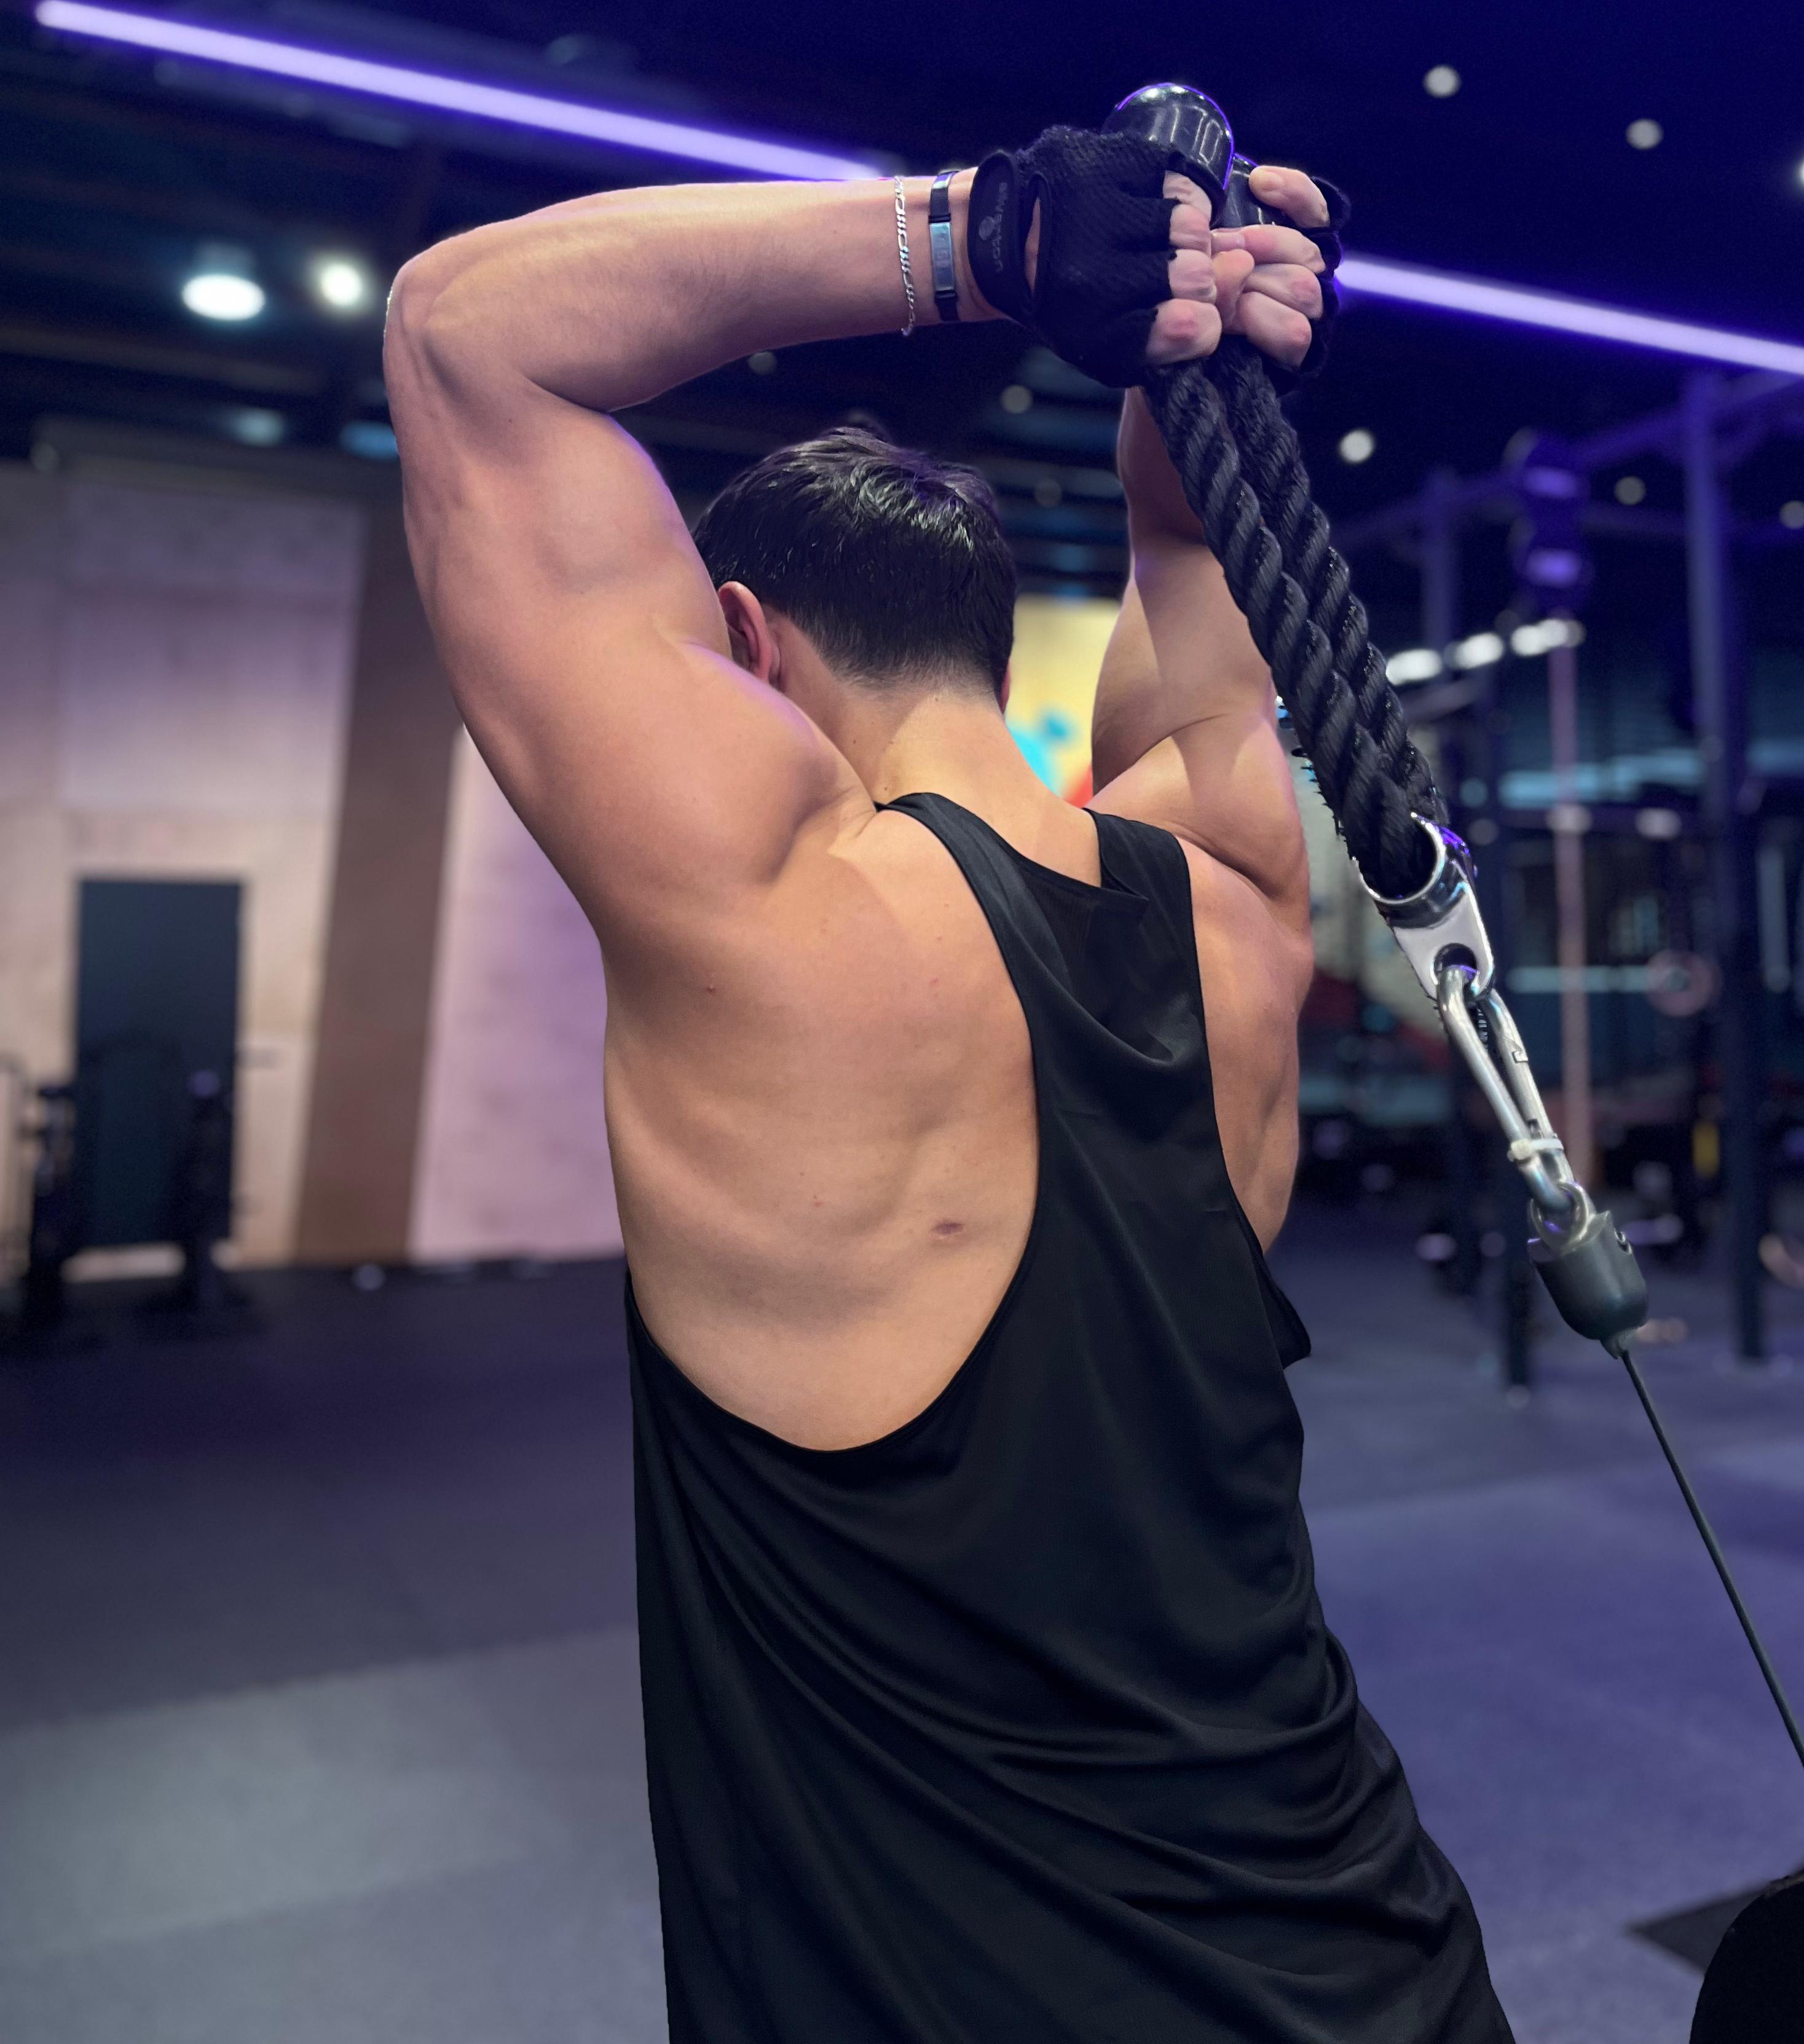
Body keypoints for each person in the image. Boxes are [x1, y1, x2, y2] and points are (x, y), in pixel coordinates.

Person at [384, 136, 1512, 2043]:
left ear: (746, 646)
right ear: (991, 644)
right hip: (1374, 1959)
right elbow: (1189, 553)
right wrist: (1191, 345)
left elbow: (459, 330)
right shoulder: (1236, 901)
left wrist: (988, 237)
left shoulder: (771, 917)